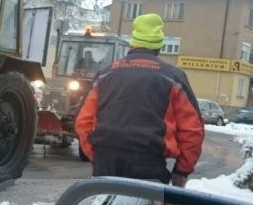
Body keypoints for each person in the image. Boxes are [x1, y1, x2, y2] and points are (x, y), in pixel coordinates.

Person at [74, 13, 204, 187]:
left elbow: (84, 121)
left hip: (106, 162)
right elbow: (192, 130)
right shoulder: (173, 78)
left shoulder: (106, 74)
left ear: (133, 43)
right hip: (149, 165)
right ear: (159, 45)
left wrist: (97, 157)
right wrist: (182, 171)